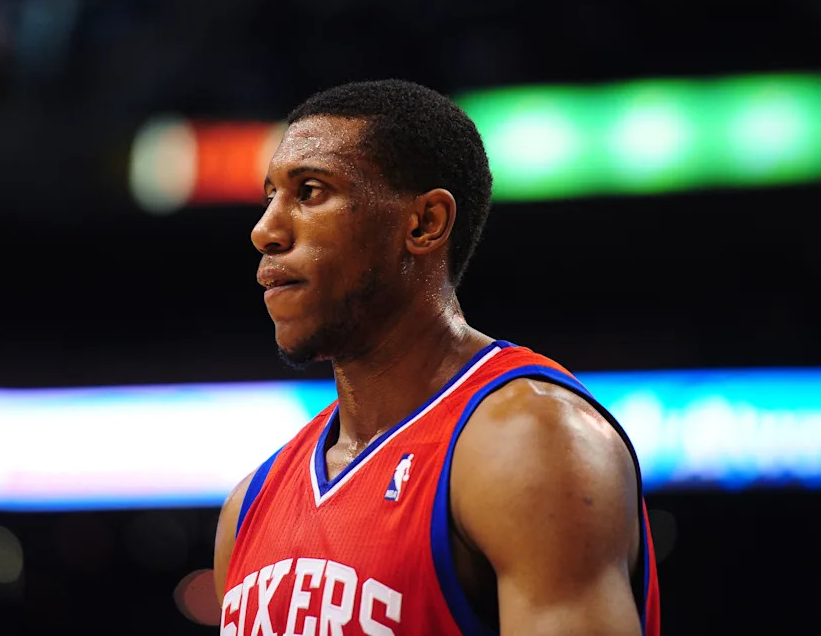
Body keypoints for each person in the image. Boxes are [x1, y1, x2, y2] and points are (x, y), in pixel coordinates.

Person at [213, 79, 660, 636]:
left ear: (425, 223)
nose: (265, 231)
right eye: (270, 198)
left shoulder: (532, 443)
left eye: (309, 191)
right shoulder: (249, 507)